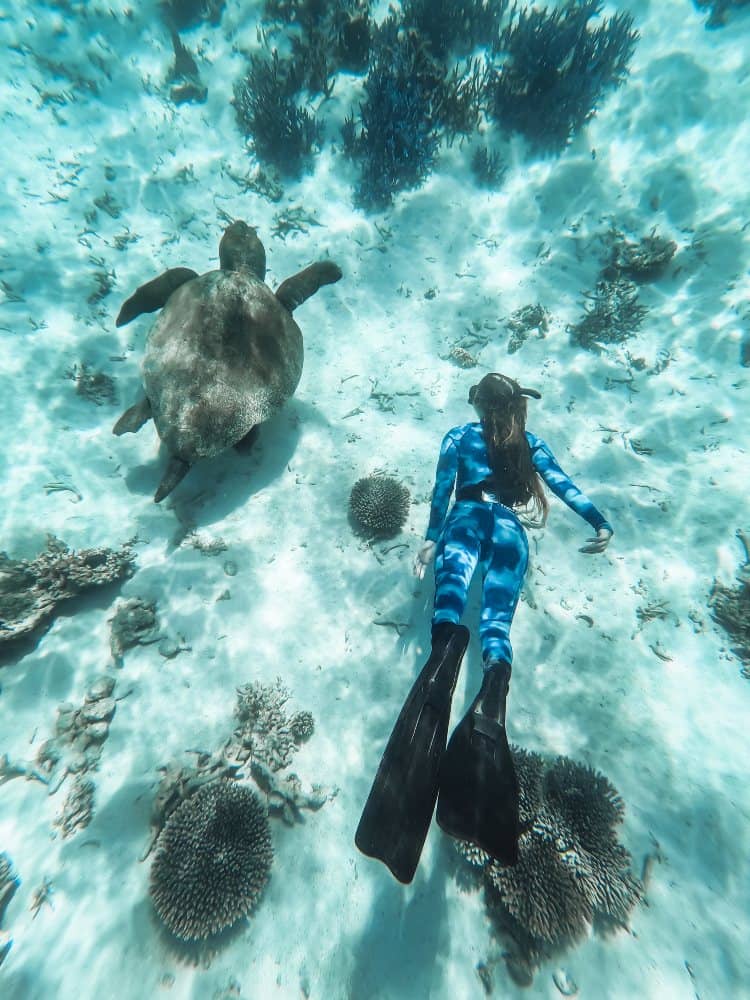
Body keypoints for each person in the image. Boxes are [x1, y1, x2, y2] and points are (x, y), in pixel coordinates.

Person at [356, 373, 612, 883]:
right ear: (516, 407)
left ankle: (442, 667)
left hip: (466, 523)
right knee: (497, 631)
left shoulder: (457, 437)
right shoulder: (529, 444)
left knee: (449, 616)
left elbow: (440, 492)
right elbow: (563, 486)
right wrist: (600, 522)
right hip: (511, 534)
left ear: (477, 404)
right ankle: (492, 691)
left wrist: (431, 540)